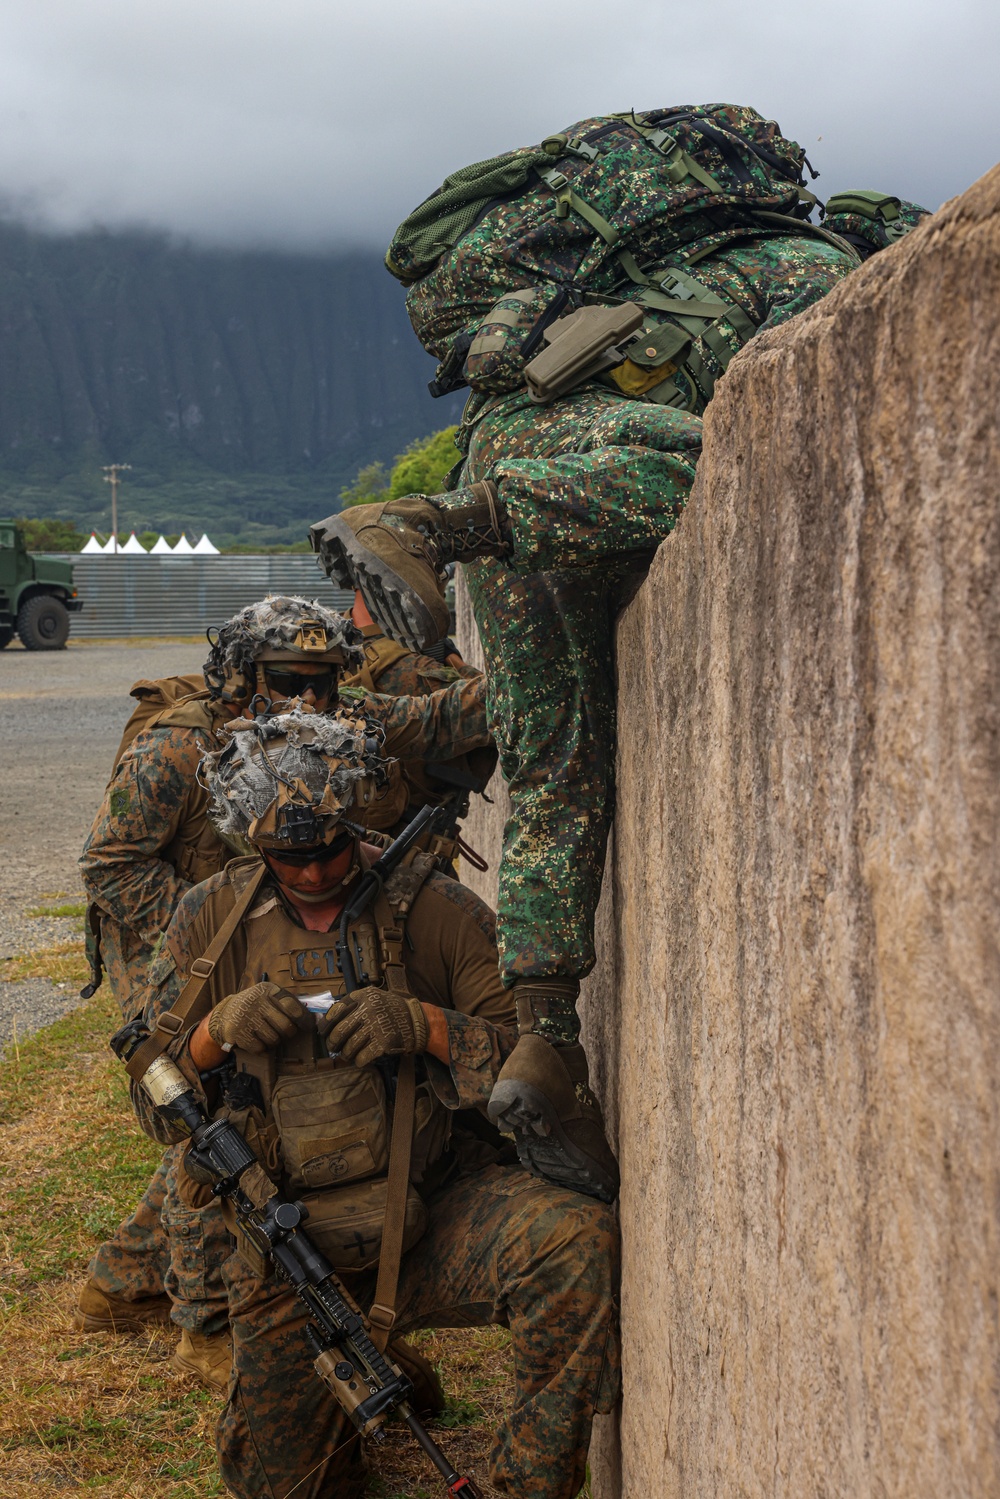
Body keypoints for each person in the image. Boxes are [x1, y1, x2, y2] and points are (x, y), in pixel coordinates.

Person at [310, 111, 929, 1207]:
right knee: (713, 458)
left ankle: (548, 1037)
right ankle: (429, 525)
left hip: (502, 449)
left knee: (554, 770)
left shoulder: (633, 282)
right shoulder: (809, 268)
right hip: (566, 478)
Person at [129, 708, 620, 1499]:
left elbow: (535, 1062)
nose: (317, 873)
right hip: (283, 1245)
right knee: (283, 1481)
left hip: (435, 1207)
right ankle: (351, 1393)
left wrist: (422, 1026)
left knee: (574, 1244)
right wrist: (214, 1034)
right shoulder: (209, 923)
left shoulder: (435, 909)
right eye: (289, 857)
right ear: (252, 843)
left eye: (329, 847)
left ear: (357, 818)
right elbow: (154, 1105)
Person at [76, 594, 493, 1392]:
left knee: (280, 1102)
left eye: (327, 680)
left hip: (271, 923)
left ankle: (121, 1283)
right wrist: (229, 929)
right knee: (213, 1121)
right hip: (186, 941)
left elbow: (435, 719)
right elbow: (110, 864)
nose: (311, 699)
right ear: (242, 677)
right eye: (290, 679)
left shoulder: (330, 720)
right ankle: (209, 1323)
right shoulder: (177, 748)